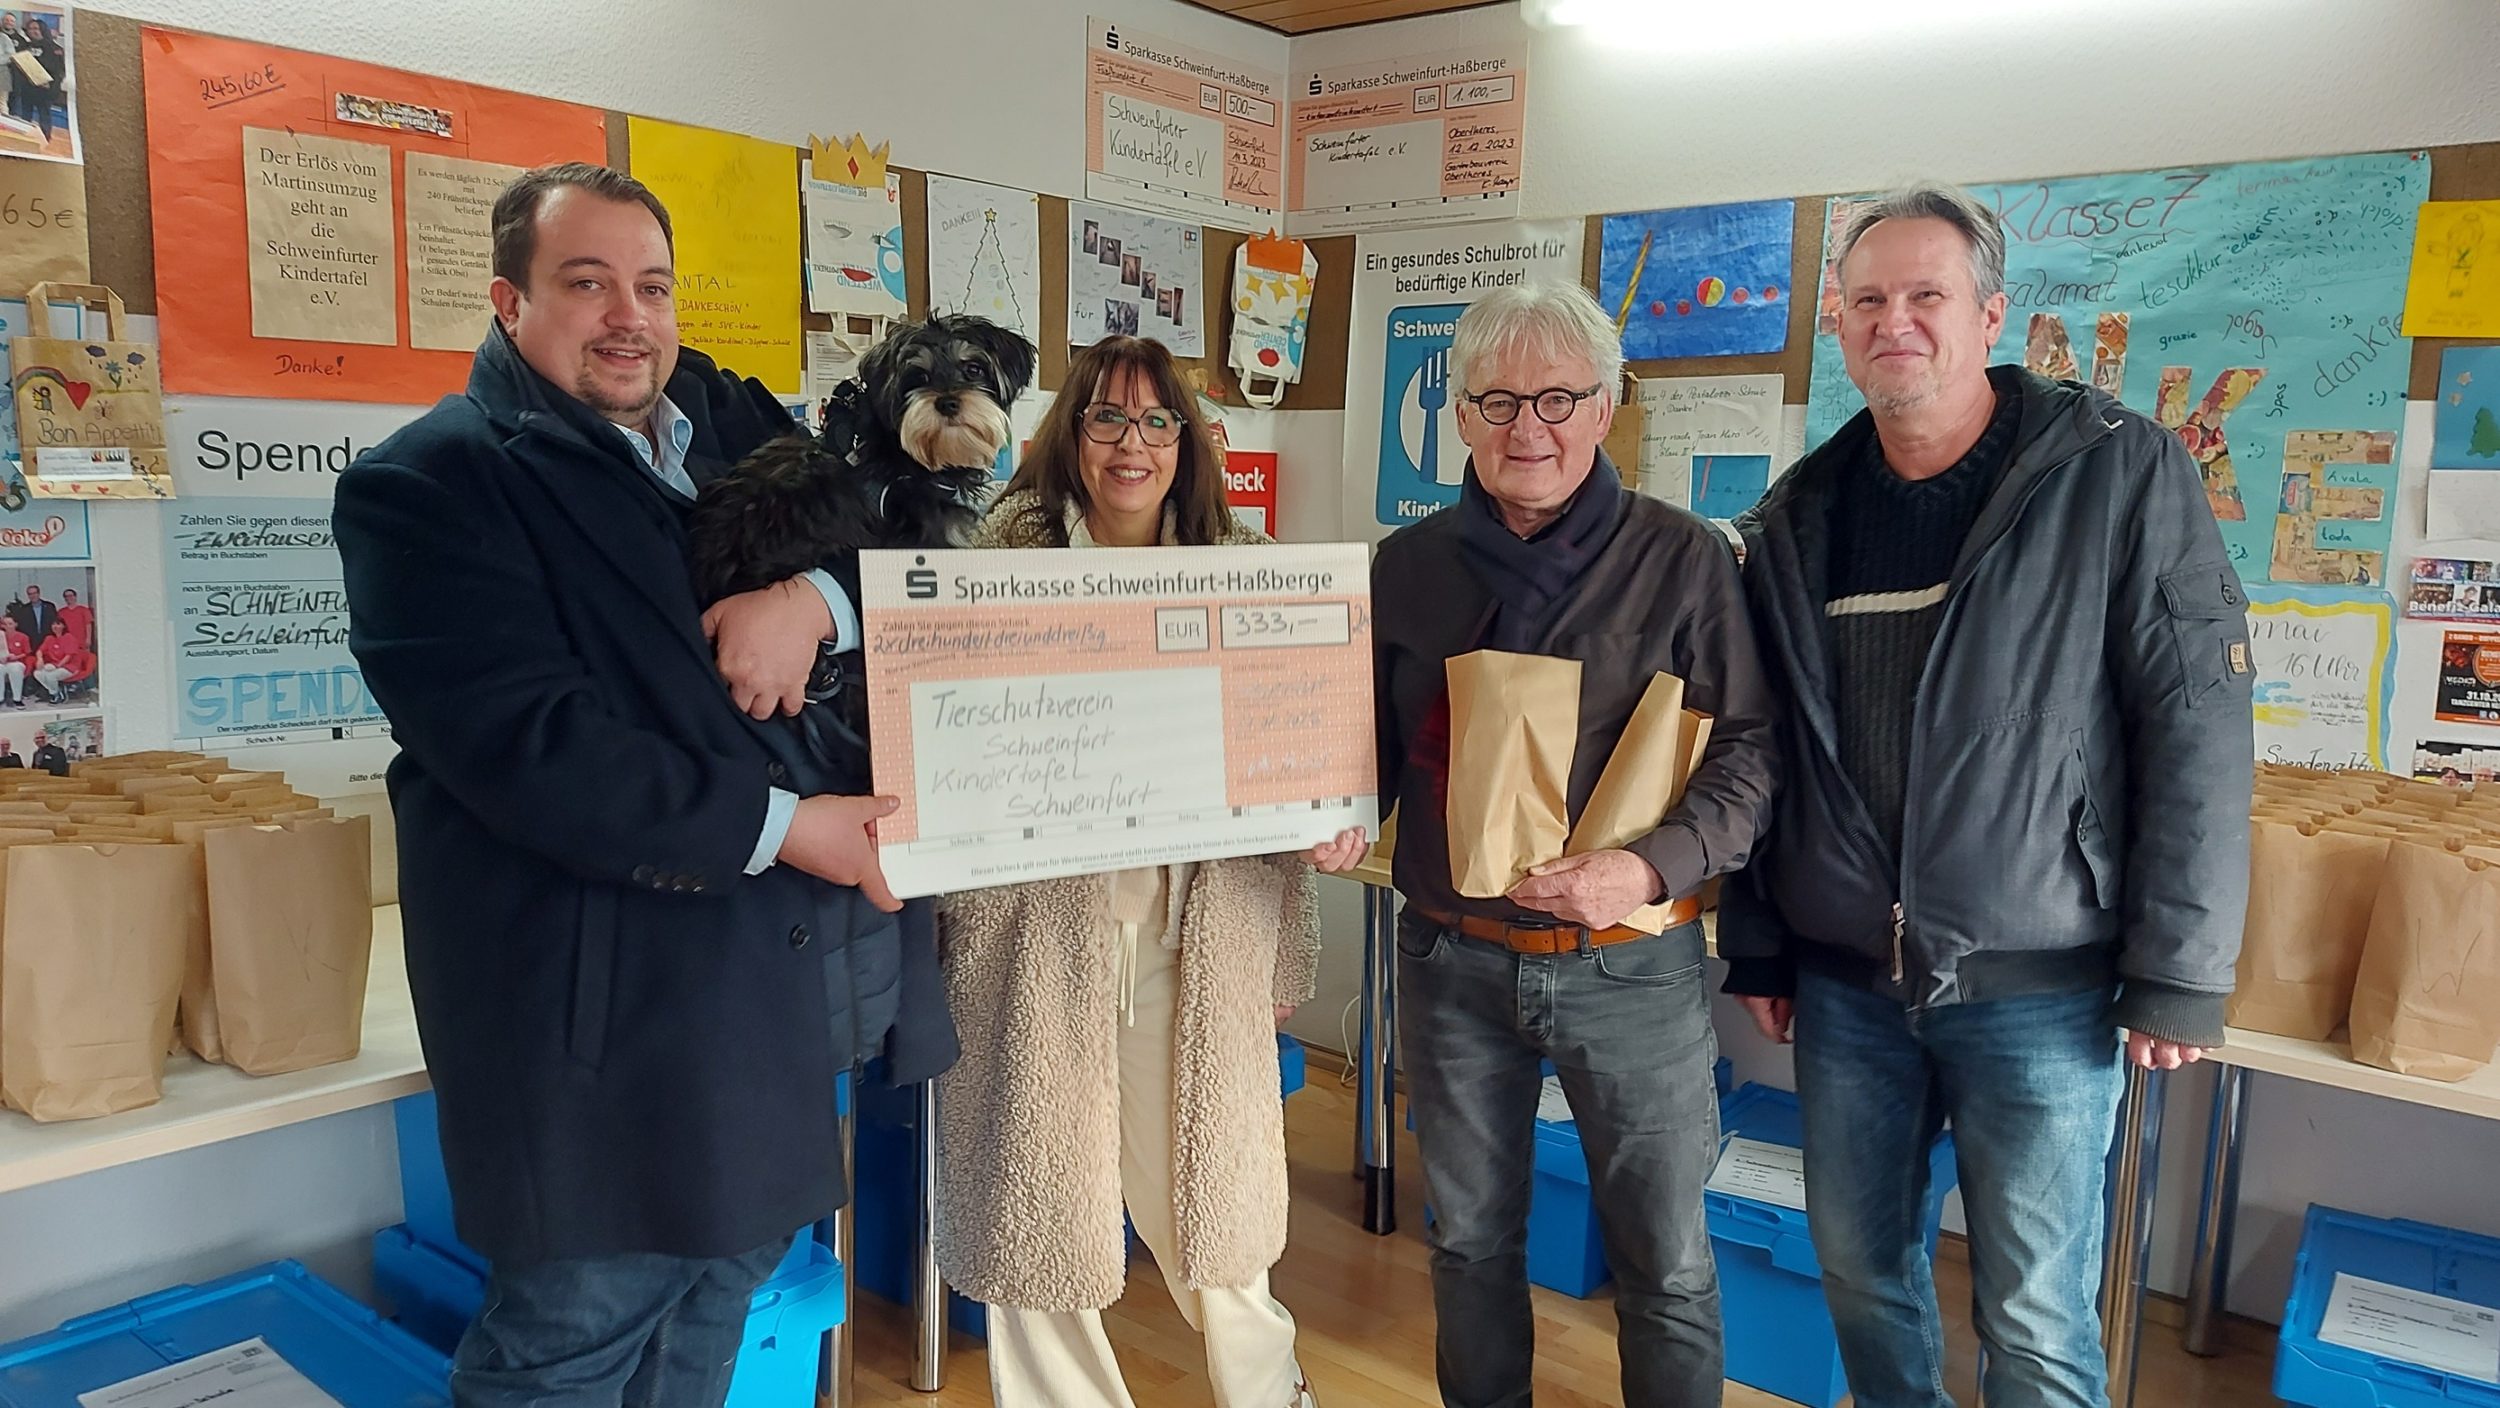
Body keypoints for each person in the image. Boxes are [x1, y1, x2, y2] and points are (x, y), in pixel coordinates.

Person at [333, 162, 955, 1408]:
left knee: (717, 1302)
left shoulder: (728, 418)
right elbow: (536, 750)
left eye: (652, 285)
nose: (630, 314)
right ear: (510, 303)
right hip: (597, 1024)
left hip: (770, 1001)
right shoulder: (430, 484)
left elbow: (898, 542)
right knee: (571, 1339)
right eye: (587, 283)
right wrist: (792, 828)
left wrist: (817, 604)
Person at [1719, 182, 2254, 1408]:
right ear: (1839, 326)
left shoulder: (2116, 472)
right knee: (1857, 1272)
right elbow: (1770, 743)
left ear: (1990, 314)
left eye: (1925, 295)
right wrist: (1757, 943)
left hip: (2044, 986)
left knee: (2035, 1311)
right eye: (1867, 300)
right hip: (1848, 984)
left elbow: (2197, 721)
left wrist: (2179, 968)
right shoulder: (1800, 514)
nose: (1892, 320)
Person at [1316, 282, 1778, 1408]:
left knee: (1664, 1260)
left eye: (1561, 398)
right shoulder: (1406, 567)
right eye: (1499, 401)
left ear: (1607, 405)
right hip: (1449, 956)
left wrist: (1649, 864)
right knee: (1469, 1240)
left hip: (1629, 959)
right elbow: (1359, 744)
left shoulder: (1684, 559)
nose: (1531, 428)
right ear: (1462, 416)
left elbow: (1753, 755)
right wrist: (1325, 806)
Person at [935, 336, 1337, 1408]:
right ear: (1070, 435)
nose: (1132, 444)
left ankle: (1269, 1394)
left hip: (1188, 943)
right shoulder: (987, 571)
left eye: (1158, 422)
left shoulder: (1250, 574)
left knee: (1214, 1217)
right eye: (1107, 418)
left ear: (1187, 441)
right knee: (1040, 1221)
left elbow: (1290, 762)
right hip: (1032, 943)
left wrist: (1298, 899)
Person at [30, 616, 89, 702]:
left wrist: (58, 666)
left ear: (63, 626)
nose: (55, 626)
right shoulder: (49, 638)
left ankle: (56, 695)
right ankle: (56, 691)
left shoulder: (69, 637)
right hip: (54, 665)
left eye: (58, 624)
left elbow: (68, 656)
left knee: (50, 676)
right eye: (53, 624)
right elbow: (40, 651)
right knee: (37, 673)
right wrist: (40, 659)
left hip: (70, 667)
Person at [21, 17, 61, 143]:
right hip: (28, 88)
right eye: (30, 29)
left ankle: (45, 139)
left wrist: (49, 82)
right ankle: (24, 138)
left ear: (42, 30)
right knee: (25, 114)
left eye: (36, 28)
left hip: (45, 89)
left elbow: (59, 69)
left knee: (44, 115)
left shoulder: (54, 48)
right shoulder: (25, 46)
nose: (33, 31)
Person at [0, 616, 28, 707]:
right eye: (5, 624)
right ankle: (0, 698)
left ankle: (17, 699)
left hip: (17, 662)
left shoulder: (23, 637)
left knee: (15, 670)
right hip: (2, 663)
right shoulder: (1, 636)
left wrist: (16, 657)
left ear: (15, 624)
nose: (7, 626)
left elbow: (26, 653)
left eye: (10, 624)